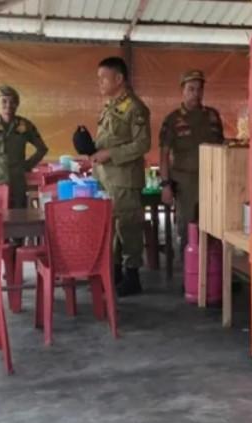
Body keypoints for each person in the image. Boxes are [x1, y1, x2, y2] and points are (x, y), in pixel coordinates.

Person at [78, 57, 151, 296]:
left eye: (103, 78)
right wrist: (91, 149)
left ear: (119, 78)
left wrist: (110, 154)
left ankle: (132, 276)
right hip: (107, 177)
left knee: (128, 227)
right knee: (113, 227)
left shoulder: (135, 108)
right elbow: (109, 139)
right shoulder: (110, 106)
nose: (99, 82)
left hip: (124, 179)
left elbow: (142, 144)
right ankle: (115, 272)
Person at [158, 70, 224, 258]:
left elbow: (221, 147)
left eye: (199, 89)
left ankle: (212, 272)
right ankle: (190, 272)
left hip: (212, 181)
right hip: (185, 184)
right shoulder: (173, 119)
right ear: (183, 91)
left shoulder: (212, 116)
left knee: (214, 229)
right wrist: (165, 185)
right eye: (191, 89)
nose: (196, 93)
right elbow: (164, 155)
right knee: (188, 230)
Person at [0, 85, 48, 208]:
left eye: (13, 102)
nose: (8, 105)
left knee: (19, 217)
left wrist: (27, 165)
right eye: (4, 101)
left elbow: (42, 149)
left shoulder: (25, 125)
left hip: (17, 185)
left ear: (17, 104)